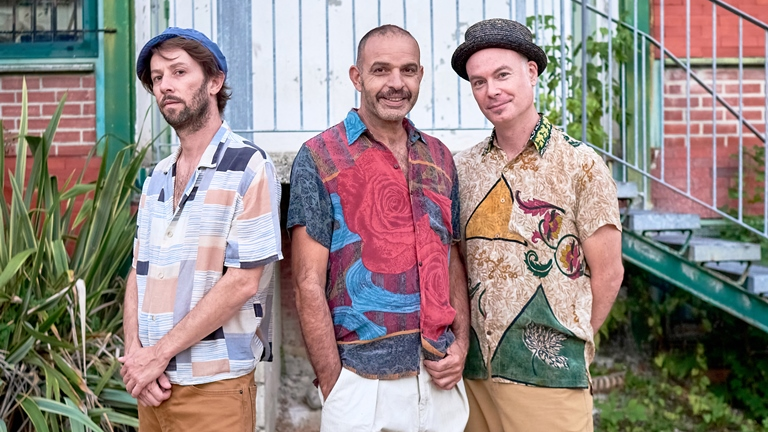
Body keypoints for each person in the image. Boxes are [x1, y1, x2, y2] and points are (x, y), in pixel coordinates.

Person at [287, 24, 470, 432]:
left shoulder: (439, 157)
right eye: (381, 70)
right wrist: (336, 384)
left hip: (439, 378)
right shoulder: (319, 157)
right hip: (360, 385)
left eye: (408, 70)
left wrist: (462, 343)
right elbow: (306, 283)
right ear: (357, 77)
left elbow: (450, 256)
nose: (396, 83)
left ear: (420, 75)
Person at [450, 19, 624, 432]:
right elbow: (455, 260)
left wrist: (571, 340)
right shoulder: (462, 168)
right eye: (478, 82)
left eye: (502, 75)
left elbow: (610, 272)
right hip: (475, 377)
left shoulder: (581, 165)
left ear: (532, 72)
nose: (491, 90)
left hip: (549, 376)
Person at [119, 27, 282, 432]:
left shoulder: (250, 167)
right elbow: (138, 270)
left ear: (214, 81)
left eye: (178, 72)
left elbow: (243, 282)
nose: (165, 86)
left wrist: (157, 355)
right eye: (157, 78)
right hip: (152, 389)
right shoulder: (157, 175)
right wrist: (135, 354)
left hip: (214, 388)